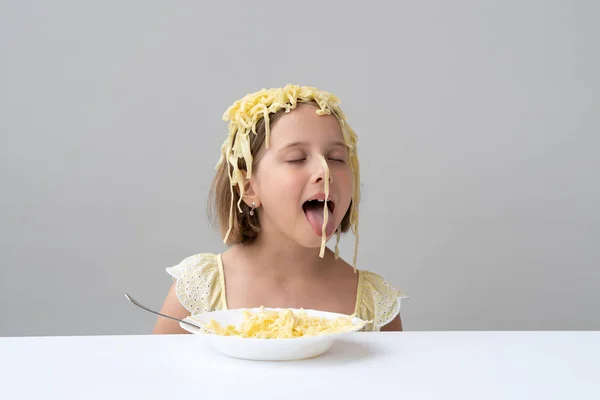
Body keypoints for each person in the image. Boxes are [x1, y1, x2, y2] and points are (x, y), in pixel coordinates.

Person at [153, 84, 407, 334]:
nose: (324, 171)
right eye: (297, 158)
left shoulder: (374, 304)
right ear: (248, 187)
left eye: (336, 158)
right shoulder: (201, 288)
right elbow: (159, 373)